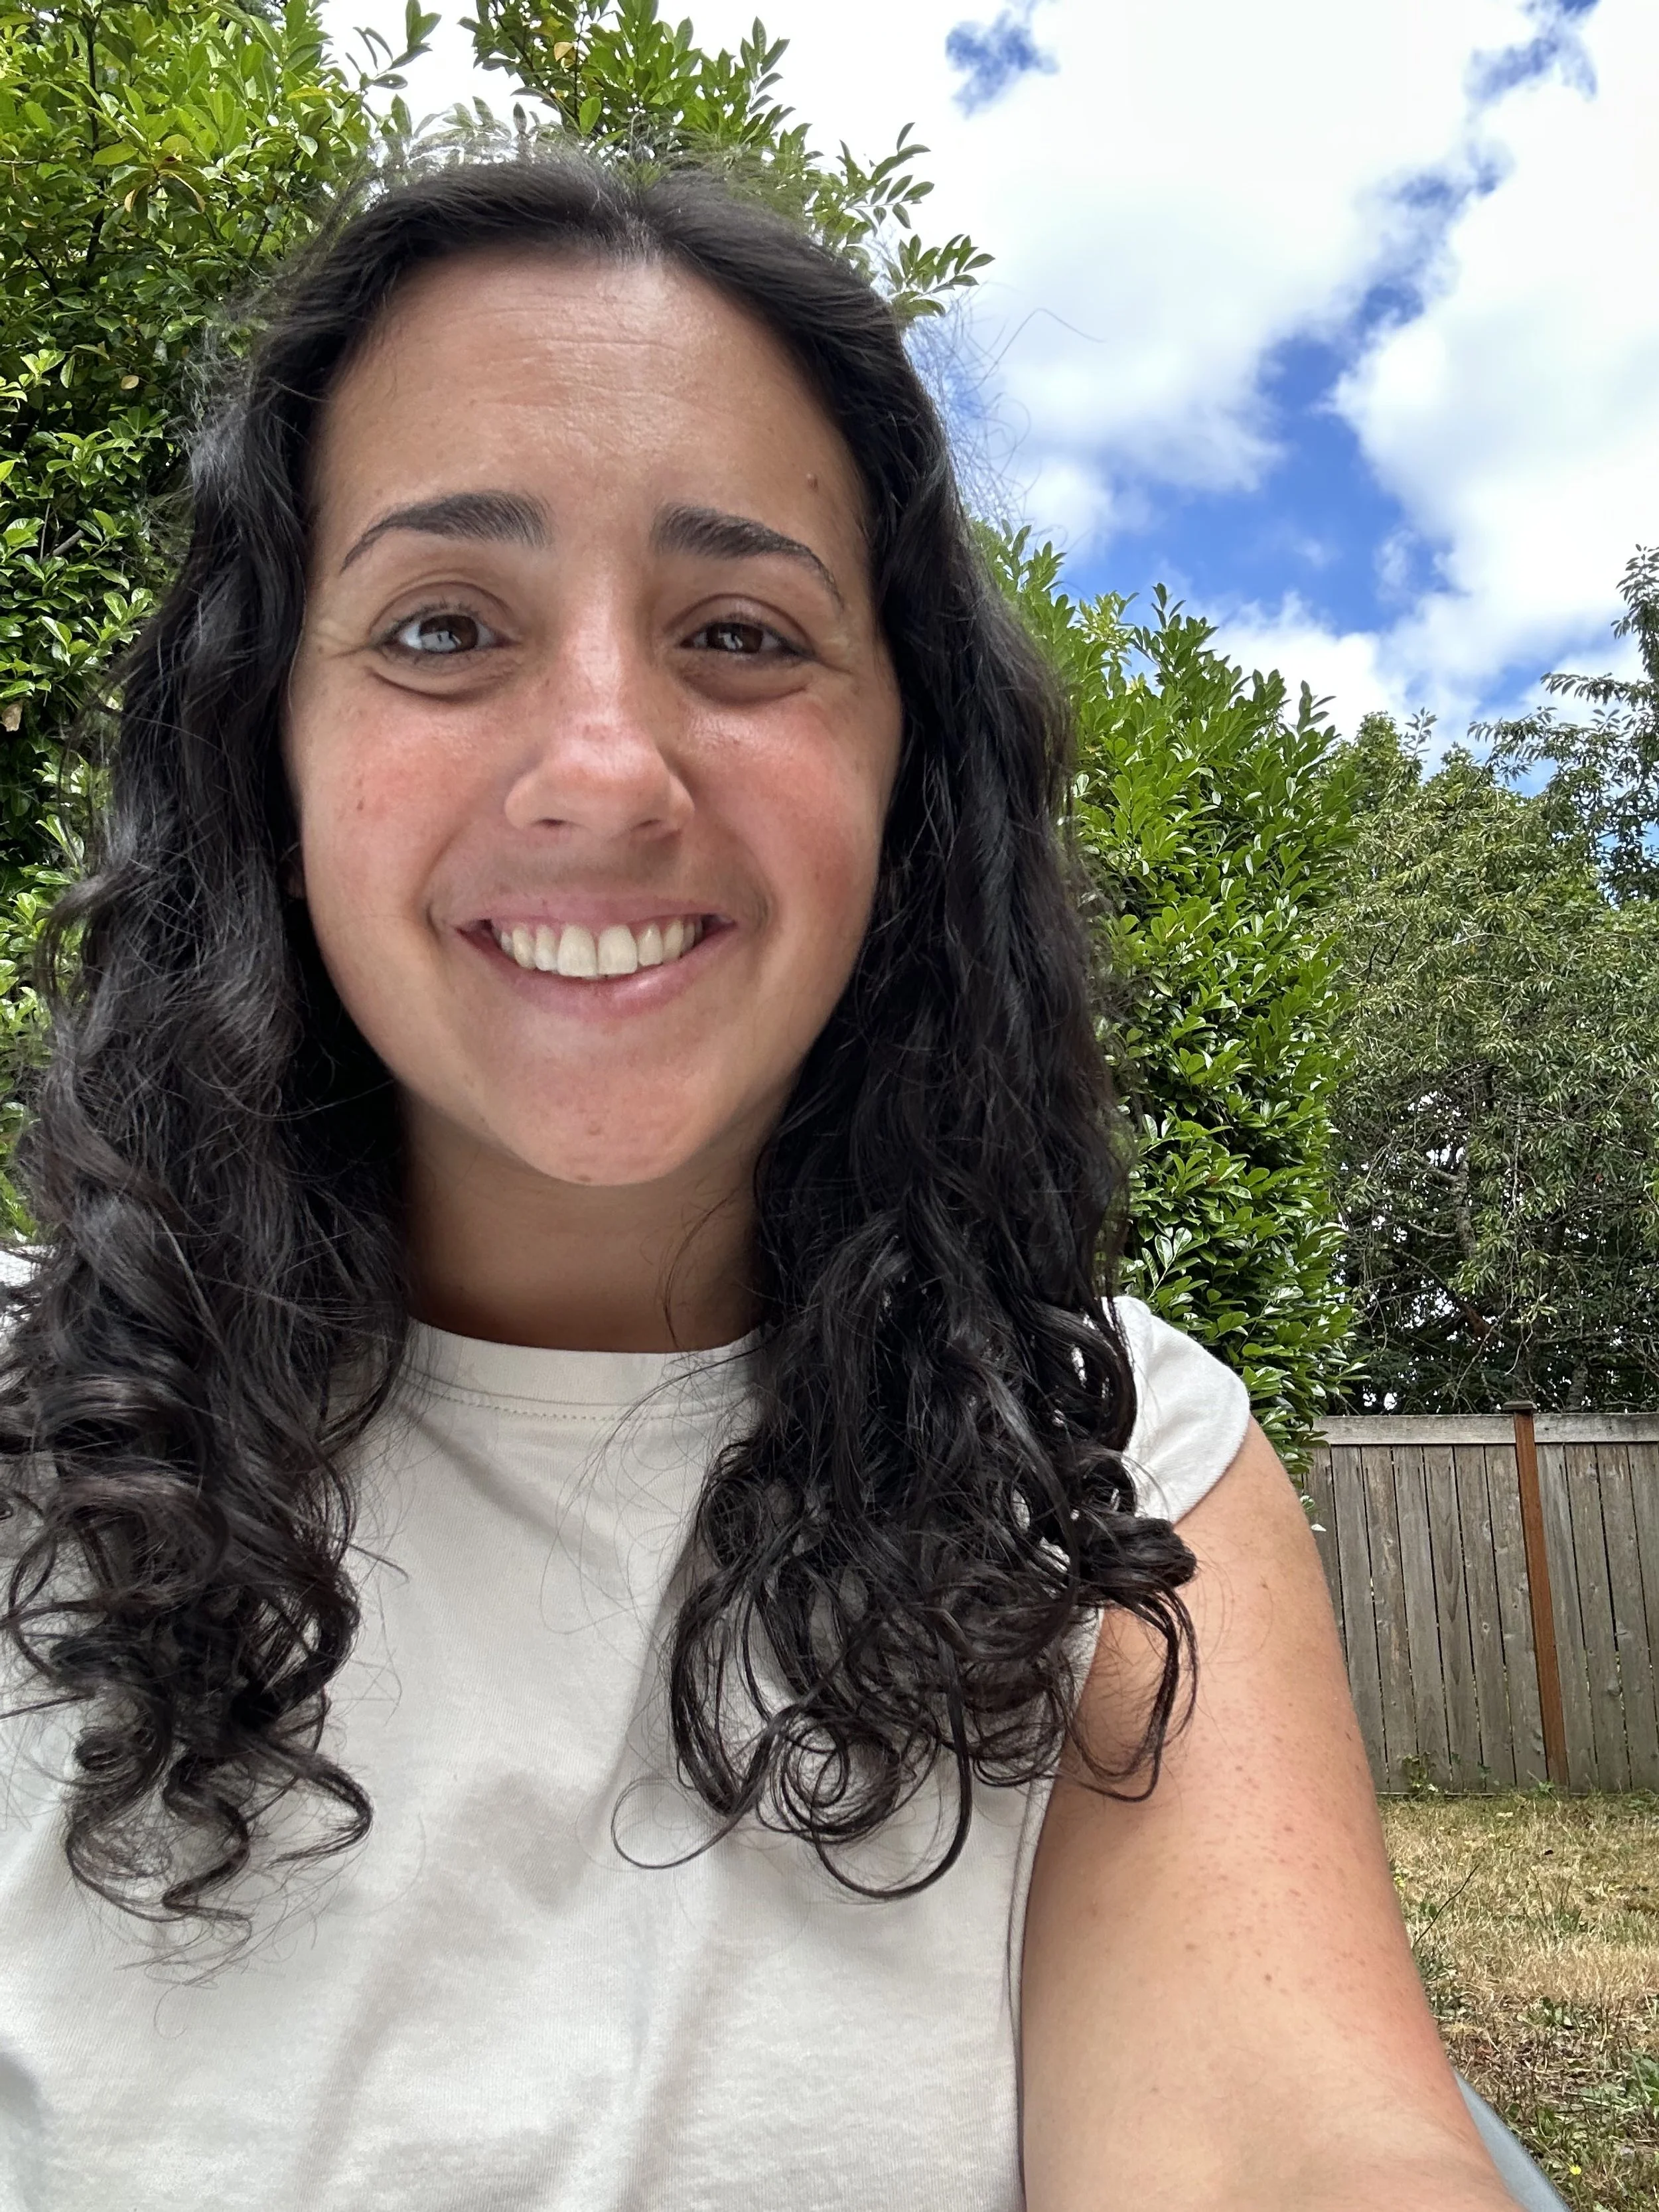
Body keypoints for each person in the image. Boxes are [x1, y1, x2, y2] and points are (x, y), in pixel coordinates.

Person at [0, 157, 1532, 2212]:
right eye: (445, 627)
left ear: (908, 782)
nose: (607, 766)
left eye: (741, 633)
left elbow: (1292, 2149)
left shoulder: (1115, 1466)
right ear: (265, 755)